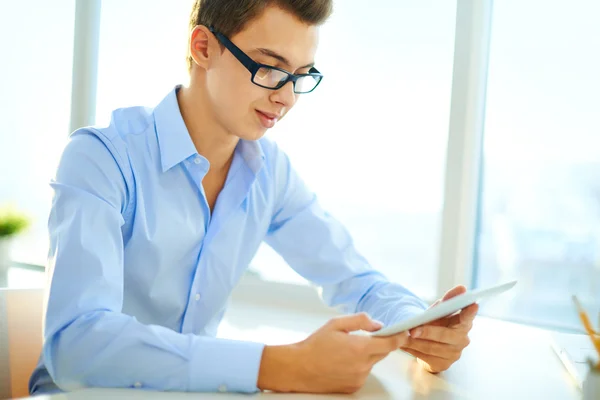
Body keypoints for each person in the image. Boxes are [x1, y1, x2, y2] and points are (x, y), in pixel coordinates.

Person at [29, 0, 478, 395]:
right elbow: (77, 345)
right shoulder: (100, 159)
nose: (286, 98)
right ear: (203, 47)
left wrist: (417, 326)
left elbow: (356, 280)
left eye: (301, 76)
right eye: (268, 68)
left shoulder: (270, 174)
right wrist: (282, 365)